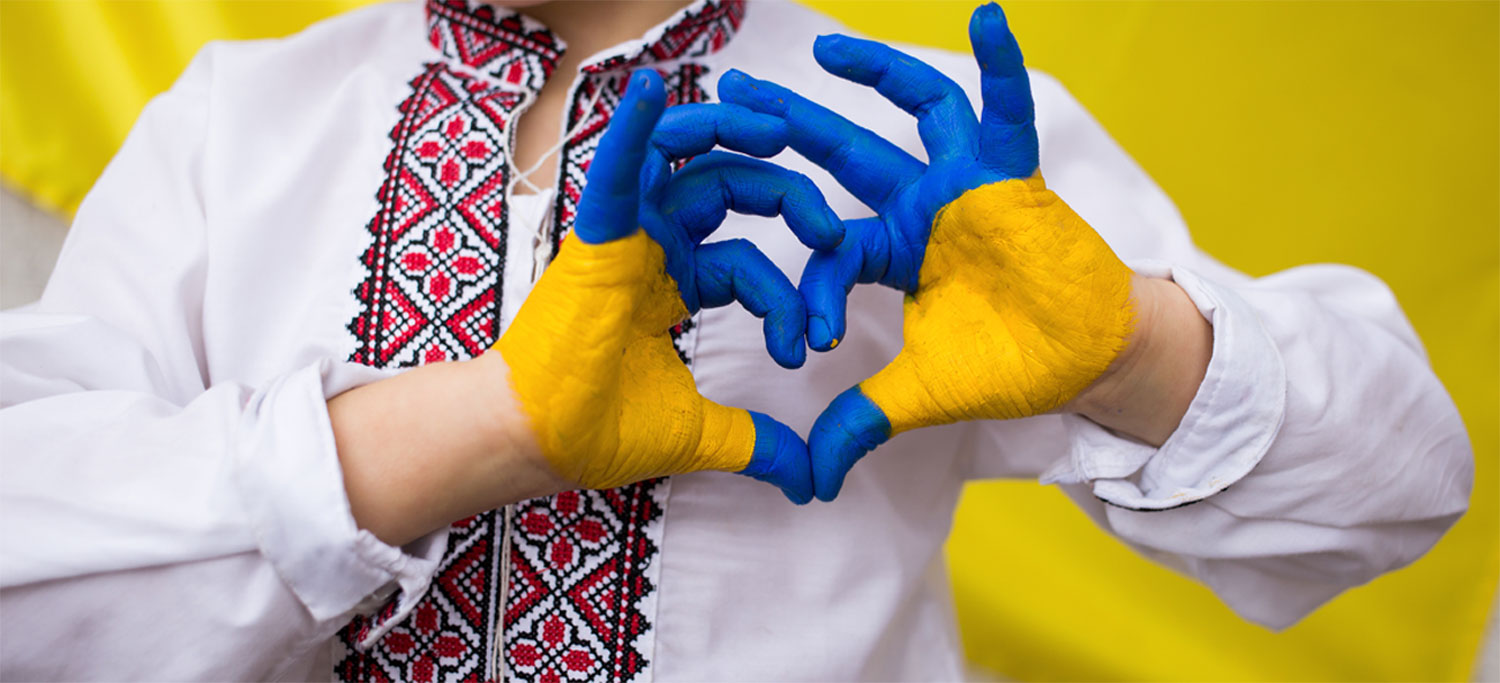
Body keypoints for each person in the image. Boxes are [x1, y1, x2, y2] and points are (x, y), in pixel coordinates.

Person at [0, 0, 1472, 681]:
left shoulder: (921, 139)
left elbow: (1399, 494)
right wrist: (482, 427)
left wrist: (1136, 351)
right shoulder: (232, 123)